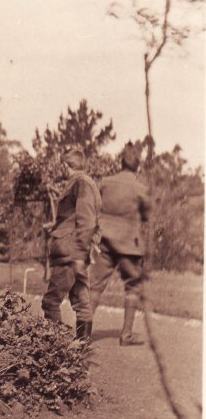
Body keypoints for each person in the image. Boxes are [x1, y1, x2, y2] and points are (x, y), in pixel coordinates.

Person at [89, 143, 152, 346]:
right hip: (129, 246)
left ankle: (81, 336)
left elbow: (93, 207)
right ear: (138, 166)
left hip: (104, 243)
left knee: (94, 287)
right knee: (132, 287)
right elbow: (147, 216)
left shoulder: (104, 183)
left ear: (121, 162)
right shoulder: (141, 189)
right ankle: (126, 335)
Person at [41, 149, 102, 340]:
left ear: (65, 165)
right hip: (75, 251)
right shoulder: (84, 183)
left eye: (63, 165)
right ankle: (81, 349)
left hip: (70, 253)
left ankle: (54, 347)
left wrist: (80, 253)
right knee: (81, 301)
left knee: (51, 301)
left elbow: (87, 221)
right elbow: (78, 219)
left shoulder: (81, 183)